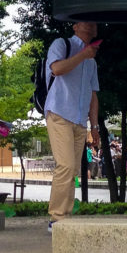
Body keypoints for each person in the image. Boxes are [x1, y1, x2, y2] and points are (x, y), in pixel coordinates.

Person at [44, 19, 100, 230]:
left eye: (92, 23)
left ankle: (64, 216)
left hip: (79, 120)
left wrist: (94, 127)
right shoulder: (62, 44)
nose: (90, 25)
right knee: (65, 165)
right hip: (59, 111)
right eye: (84, 22)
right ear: (74, 26)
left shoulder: (92, 61)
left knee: (73, 169)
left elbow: (93, 94)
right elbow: (56, 69)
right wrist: (82, 55)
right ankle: (56, 218)